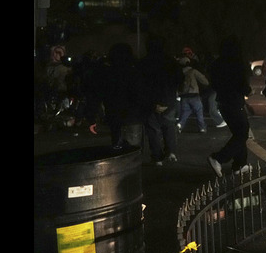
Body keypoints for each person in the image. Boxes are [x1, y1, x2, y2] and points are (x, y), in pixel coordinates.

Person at [207, 36, 253, 177]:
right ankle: (218, 158)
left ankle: (240, 164)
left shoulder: (216, 64)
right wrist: (249, 91)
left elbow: (213, 84)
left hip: (223, 102)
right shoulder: (237, 64)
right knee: (242, 133)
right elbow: (243, 85)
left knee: (238, 133)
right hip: (235, 102)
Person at [88, 42, 144, 149]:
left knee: (117, 148)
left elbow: (96, 95)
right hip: (133, 116)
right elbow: (140, 95)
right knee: (134, 151)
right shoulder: (134, 73)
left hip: (114, 114)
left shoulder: (106, 73)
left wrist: (92, 117)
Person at [140, 36, 182, 165]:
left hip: (150, 102)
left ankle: (157, 157)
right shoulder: (171, 62)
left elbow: (141, 84)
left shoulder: (144, 62)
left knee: (153, 130)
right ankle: (171, 152)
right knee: (169, 126)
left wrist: (152, 103)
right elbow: (179, 79)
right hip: (168, 100)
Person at [183, 46, 226, 129]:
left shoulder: (195, 66)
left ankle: (219, 120)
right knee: (204, 105)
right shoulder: (200, 64)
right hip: (209, 88)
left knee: (209, 107)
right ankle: (207, 124)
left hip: (210, 88)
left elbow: (203, 79)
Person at [177, 56, 209, 133]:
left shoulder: (179, 73)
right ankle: (202, 128)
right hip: (194, 95)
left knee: (185, 111)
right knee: (199, 111)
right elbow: (205, 81)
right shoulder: (193, 71)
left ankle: (180, 124)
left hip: (184, 96)